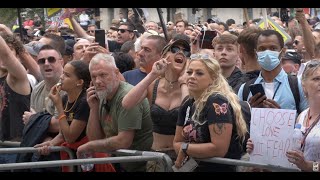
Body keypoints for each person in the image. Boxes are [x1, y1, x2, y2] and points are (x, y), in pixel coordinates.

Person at [122, 39, 190, 171]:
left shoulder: (191, 87)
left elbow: (188, 112)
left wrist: (183, 81)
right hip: (156, 156)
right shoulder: (155, 84)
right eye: (175, 49)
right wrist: (153, 74)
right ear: (164, 56)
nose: (180, 53)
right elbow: (127, 103)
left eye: (185, 51)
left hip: (183, 159)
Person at [76, 53, 153, 172]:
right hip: (117, 165)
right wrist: (94, 109)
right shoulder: (102, 95)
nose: (97, 81)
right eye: (94, 76)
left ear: (116, 73)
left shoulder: (127, 96)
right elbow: (95, 138)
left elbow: (124, 141)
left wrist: (89, 146)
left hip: (137, 167)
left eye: (103, 75)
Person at [173, 54, 248, 172]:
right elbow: (177, 142)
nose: (192, 76)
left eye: (199, 73)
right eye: (189, 72)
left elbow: (218, 149)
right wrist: (185, 148)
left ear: (213, 78)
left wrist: (185, 148)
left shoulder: (216, 102)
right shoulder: (187, 103)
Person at [0, 33, 31, 164]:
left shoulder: (17, 78)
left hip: (15, 149)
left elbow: (6, 56)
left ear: (17, 56)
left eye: (10, 48)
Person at [285, 60, 320, 172]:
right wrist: (256, 146)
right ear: (304, 86)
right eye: (316, 79)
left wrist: (309, 166)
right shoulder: (302, 115)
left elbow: (308, 166)